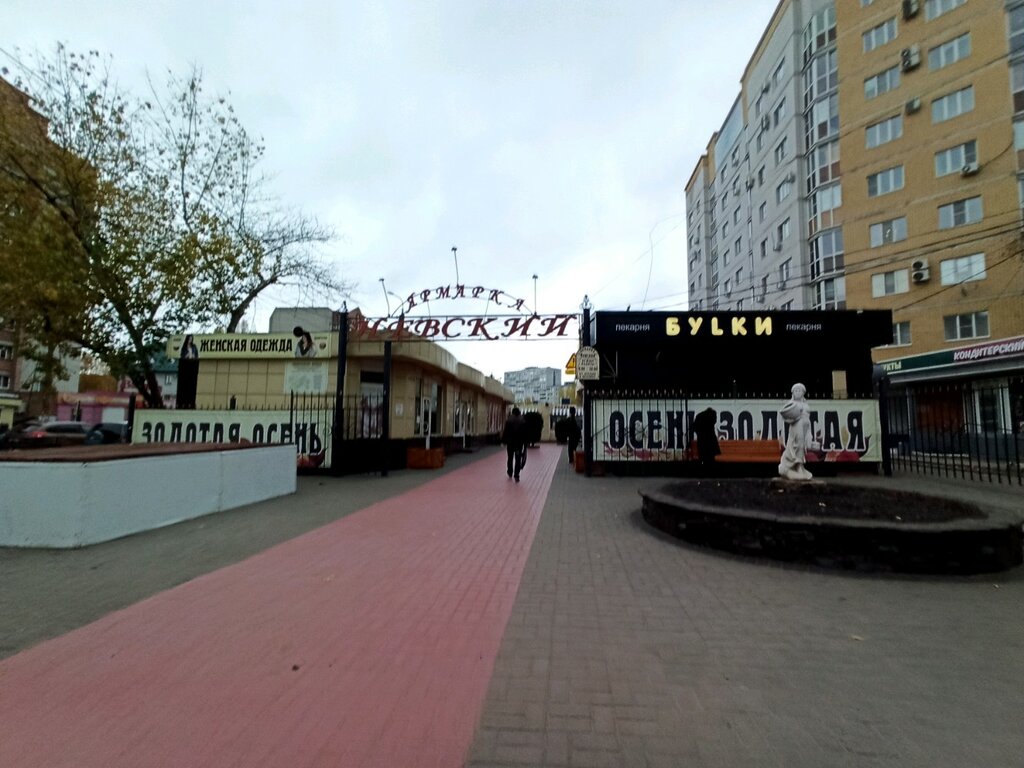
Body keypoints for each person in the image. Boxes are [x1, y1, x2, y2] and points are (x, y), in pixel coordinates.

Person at [779, 382, 814, 480]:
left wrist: (809, 432)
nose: (797, 392)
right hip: (797, 427)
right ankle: (798, 466)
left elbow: (808, 420)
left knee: (802, 446)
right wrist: (795, 418)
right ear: (793, 393)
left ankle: (800, 466)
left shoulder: (805, 405)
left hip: (805, 427)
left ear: (803, 393)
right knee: (798, 446)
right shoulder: (792, 404)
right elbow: (786, 417)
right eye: (796, 391)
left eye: (799, 390)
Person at [502, 406, 527, 482]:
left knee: (510, 458)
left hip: (510, 443)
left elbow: (505, 432)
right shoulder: (522, 421)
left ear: (512, 413)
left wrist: (503, 441)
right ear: (519, 413)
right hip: (518, 444)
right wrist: (525, 443)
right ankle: (516, 475)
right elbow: (524, 434)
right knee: (518, 459)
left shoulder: (509, 421)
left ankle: (510, 472)